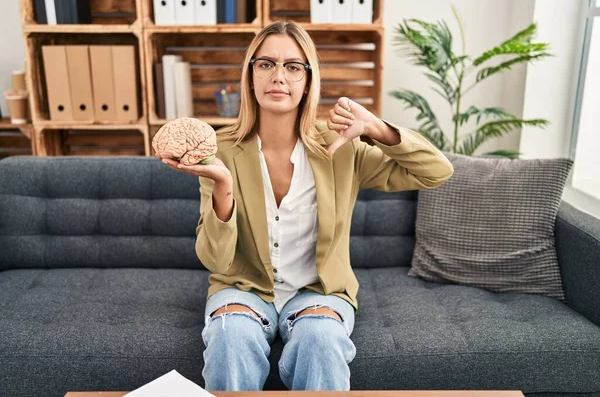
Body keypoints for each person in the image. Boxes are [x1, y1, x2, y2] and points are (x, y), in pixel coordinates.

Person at [157, 21, 454, 391]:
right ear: (250, 76)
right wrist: (223, 186)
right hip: (243, 289)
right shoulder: (221, 150)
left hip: (319, 291)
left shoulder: (341, 147)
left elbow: (437, 171)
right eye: (265, 64)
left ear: (308, 80)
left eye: (293, 66)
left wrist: (376, 128)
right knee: (230, 336)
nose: (278, 76)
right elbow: (216, 261)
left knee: (320, 340)